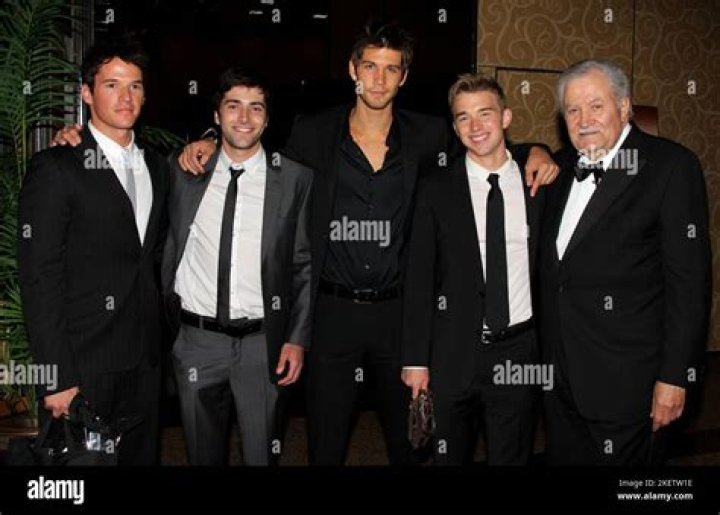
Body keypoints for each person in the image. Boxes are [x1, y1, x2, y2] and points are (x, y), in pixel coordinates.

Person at [178, 20, 559, 466]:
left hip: (399, 315)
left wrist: (535, 150)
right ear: (352, 70)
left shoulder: (429, 136)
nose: (379, 79)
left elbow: (486, 151)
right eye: (370, 67)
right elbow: (255, 154)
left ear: (404, 77)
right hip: (331, 315)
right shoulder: (313, 132)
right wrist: (208, 141)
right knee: (326, 445)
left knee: (409, 446)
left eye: (391, 69)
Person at [50, 68, 314, 466]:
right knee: (200, 454)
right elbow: (118, 159)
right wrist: (72, 140)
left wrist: (296, 338)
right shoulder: (179, 170)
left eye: (256, 108)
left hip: (263, 345)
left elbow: (303, 264)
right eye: (233, 106)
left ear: (267, 118)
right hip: (195, 344)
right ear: (216, 116)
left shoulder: (295, 179)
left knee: (263, 455)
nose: (244, 118)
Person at [538, 59, 711, 465]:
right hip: (559, 382)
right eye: (573, 110)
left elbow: (689, 286)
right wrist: (533, 150)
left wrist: (674, 378)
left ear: (625, 106)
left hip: (629, 384)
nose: (584, 120)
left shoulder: (671, 166)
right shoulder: (558, 169)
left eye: (596, 106)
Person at [17, 37, 169, 465]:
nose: (126, 97)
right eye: (111, 85)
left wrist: (209, 140)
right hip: (83, 364)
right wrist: (56, 376)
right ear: (86, 93)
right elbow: (39, 276)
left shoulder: (158, 165)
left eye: (135, 86)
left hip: (145, 362)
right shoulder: (57, 166)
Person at [402, 74, 544, 465]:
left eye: (485, 113)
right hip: (452, 352)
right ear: (454, 127)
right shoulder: (435, 187)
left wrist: (542, 150)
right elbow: (418, 278)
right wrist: (415, 360)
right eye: (463, 117)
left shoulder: (539, 183)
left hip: (519, 352)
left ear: (506, 117)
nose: (475, 126)